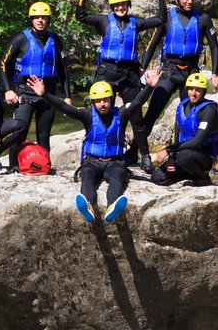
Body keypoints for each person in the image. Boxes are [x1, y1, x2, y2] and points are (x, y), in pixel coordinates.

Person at [25, 67, 159, 223]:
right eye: (98, 101)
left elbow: (137, 102)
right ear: (93, 102)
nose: (102, 104)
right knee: (87, 175)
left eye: (105, 100)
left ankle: (112, 206)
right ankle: (88, 205)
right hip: (92, 162)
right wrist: (44, 94)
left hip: (114, 162)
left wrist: (150, 86)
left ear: (111, 99)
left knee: (118, 175)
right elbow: (65, 107)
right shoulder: (87, 115)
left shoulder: (121, 113)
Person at [74, 0, 166, 172]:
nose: (120, 8)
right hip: (107, 71)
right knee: (98, 114)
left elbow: (160, 20)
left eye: (123, 4)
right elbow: (80, 16)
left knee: (135, 115)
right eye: (116, 5)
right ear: (112, 6)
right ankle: (91, 154)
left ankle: (145, 157)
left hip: (129, 73)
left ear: (128, 5)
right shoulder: (103, 21)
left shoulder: (136, 23)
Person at [141, 0, 218, 145]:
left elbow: (214, 46)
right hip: (169, 70)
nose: (189, 1)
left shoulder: (203, 18)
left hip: (191, 72)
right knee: (152, 112)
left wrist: (214, 72)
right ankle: (136, 150)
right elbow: (153, 43)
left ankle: (178, 150)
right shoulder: (168, 17)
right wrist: (142, 68)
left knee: (188, 115)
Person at [1, 1, 72, 170]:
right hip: (24, 92)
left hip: (48, 93)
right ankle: (13, 167)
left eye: (44, 17)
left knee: (44, 134)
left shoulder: (55, 40)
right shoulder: (20, 39)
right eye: (36, 17)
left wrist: (67, 96)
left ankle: (44, 167)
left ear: (48, 20)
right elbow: (4, 64)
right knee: (20, 131)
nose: (40, 20)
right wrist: (8, 89)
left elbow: (63, 69)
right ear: (31, 19)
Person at [150, 72, 218, 186]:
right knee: (157, 178)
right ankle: (191, 174)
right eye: (191, 89)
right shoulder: (182, 106)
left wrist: (169, 150)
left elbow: (197, 141)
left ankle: (202, 178)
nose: (193, 93)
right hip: (182, 153)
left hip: (205, 155)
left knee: (183, 157)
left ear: (204, 91)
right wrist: (171, 158)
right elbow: (177, 133)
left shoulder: (209, 110)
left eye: (198, 90)